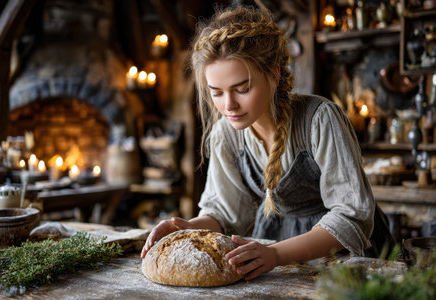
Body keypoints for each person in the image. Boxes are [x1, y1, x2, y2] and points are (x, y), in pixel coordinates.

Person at [141, 5, 394, 281]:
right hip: (274, 253)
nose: (229, 105)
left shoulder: (319, 119)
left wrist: (275, 255)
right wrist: (188, 227)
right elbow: (225, 214)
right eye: (217, 93)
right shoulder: (226, 134)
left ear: (274, 74)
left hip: (350, 257)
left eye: (242, 89)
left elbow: (351, 216)